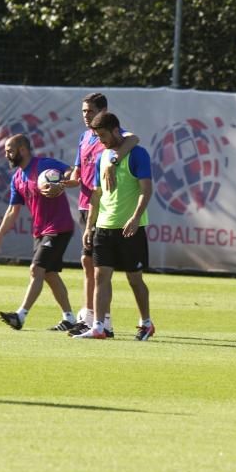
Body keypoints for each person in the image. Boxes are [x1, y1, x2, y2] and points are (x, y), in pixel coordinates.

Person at [73, 111, 155, 341]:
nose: (100, 141)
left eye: (103, 135)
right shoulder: (102, 157)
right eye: (97, 136)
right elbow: (96, 196)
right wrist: (90, 226)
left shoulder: (138, 155)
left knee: (134, 279)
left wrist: (136, 217)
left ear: (116, 130)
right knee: (100, 278)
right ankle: (100, 326)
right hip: (103, 228)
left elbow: (146, 190)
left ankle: (146, 323)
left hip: (130, 229)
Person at [0, 133, 79, 332]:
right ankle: (69, 318)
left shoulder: (44, 165)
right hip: (40, 231)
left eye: (10, 150)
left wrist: (61, 184)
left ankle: (20, 316)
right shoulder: (17, 178)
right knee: (50, 274)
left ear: (22, 150)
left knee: (36, 270)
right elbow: (12, 211)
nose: (7, 155)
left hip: (59, 227)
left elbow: (71, 171)